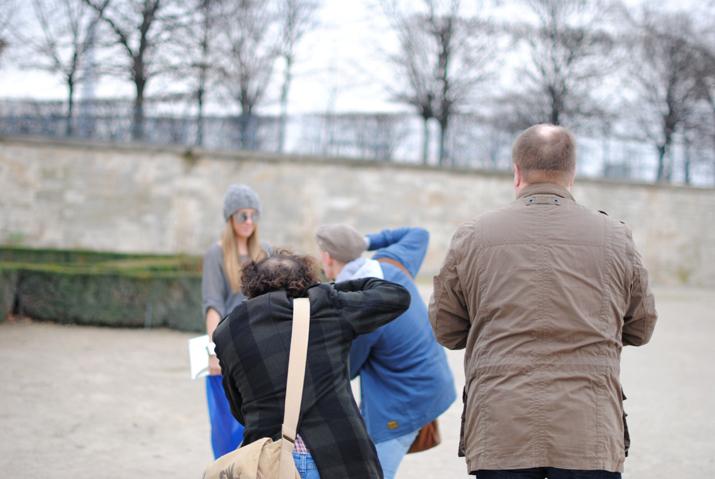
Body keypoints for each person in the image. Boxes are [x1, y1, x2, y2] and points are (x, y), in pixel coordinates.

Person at [429, 124, 658, 479]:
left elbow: (447, 330)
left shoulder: (474, 235)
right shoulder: (615, 235)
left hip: (501, 424)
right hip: (589, 424)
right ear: (572, 174)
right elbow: (641, 327)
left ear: (517, 172)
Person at [212, 251, 411, 479]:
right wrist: (330, 289)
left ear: (251, 282)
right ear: (305, 281)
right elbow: (396, 295)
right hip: (336, 454)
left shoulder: (227, 331)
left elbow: (238, 408)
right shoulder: (323, 307)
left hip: (269, 462)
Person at [315, 224, 456, 479]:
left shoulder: (359, 305)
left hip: (405, 398)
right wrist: (366, 242)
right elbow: (419, 234)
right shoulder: (387, 263)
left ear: (327, 258)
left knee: (372, 473)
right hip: (430, 381)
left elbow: (347, 368)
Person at [201, 183, 271, 459]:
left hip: (259, 349)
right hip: (227, 347)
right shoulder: (216, 254)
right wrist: (213, 350)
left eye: (254, 215)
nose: (249, 221)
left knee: (259, 426)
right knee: (225, 426)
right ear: (230, 218)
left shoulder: (265, 251)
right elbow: (213, 304)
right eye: (243, 215)